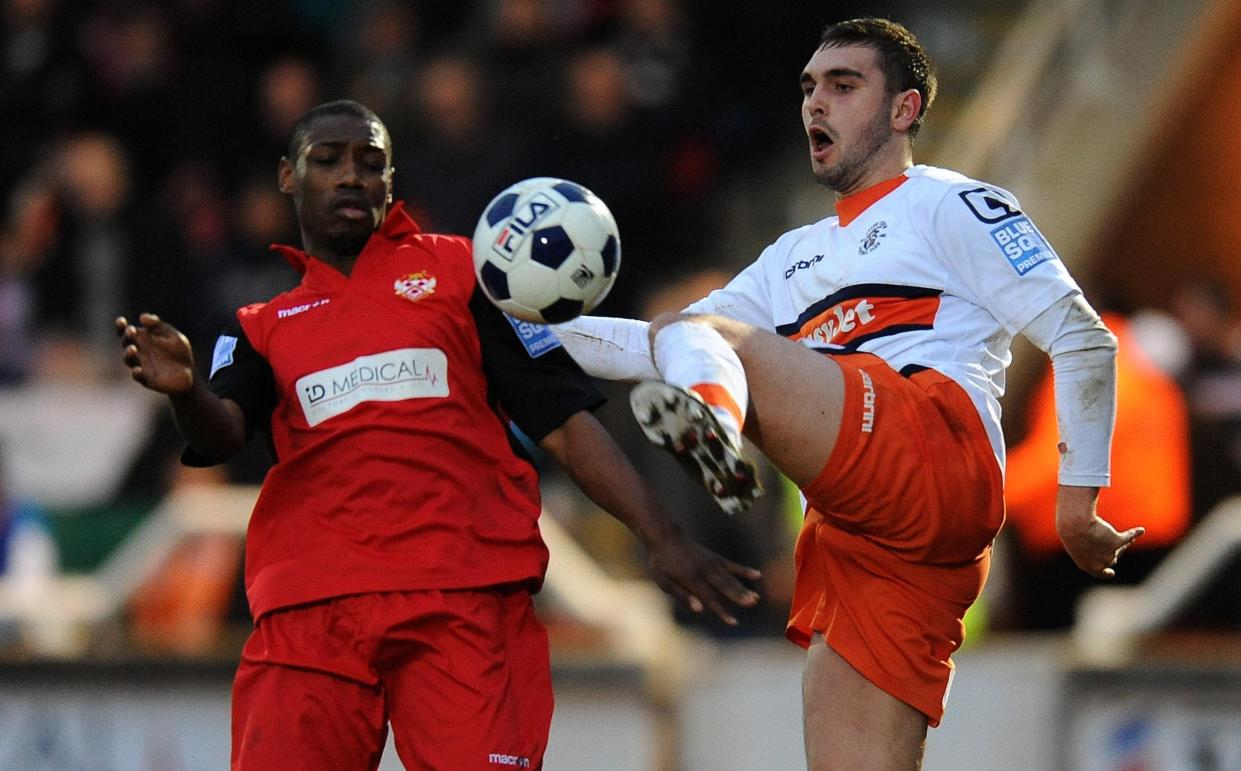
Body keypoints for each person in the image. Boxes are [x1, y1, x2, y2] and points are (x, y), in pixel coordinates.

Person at [551, 18, 1143, 769]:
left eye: (842, 85)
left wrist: (1077, 499)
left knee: (714, 337)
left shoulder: (953, 205)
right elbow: (657, 341)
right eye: (806, 88)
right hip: (868, 537)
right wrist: (526, 336)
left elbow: (1083, 336)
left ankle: (712, 425)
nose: (814, 106)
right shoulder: (788, 257)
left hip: (932, 447)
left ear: (904, 110)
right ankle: (710, 415)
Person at [116, 99, 759, 771]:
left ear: (391, 181)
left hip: (463, 600)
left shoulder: (469, 277)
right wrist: (187, 390)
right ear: (287, 177)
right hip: (312, 608)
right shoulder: (256, 325)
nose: (350, 177)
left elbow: (564, 422)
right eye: (327, 160)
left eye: (370, 163)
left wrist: (660, 535)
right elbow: (221, 436)